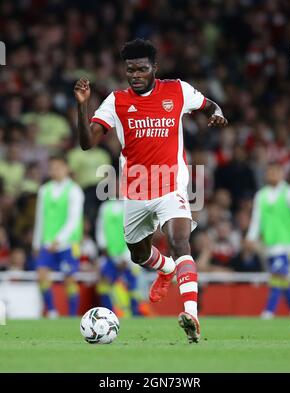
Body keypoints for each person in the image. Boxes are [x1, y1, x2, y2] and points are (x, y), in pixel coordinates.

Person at [74, 38, 227, 343]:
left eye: (142, 69)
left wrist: (216, 113)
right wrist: (82, 106)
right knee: (138, 254)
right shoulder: (116, 101)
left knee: (180, 240)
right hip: (135, 192)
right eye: (130, 69)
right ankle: (166, 269)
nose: (136, 75)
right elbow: (87, 143)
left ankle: (191, 315)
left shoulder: (177, 91)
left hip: (171, 185)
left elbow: (210, 104)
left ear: (154, 67)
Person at [246, 162, 290, 319]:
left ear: (282, 173)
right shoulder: (261, 195)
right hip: (269, 246)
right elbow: (256, 220)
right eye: (269, 172)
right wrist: (250, 238)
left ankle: (269, 311)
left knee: (278, 276)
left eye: (275, 172)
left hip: (289, 244)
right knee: (282, 279)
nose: (271, 175)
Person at [32, 155, 84, 317]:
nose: (55, 170)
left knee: (69, 279)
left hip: (69, 243)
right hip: (47, 242)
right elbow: (40, 218)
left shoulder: (74, 190)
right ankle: (52, 311)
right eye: (52, 167)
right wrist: (36, 242)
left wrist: (59, 239)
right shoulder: (44, 190)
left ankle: (72, 314)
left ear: (66, 168)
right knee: (41, 275)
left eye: (58, 167)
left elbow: (73, 220)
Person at [95, 195, 141, 317]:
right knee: (104, 282)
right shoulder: (105, 207)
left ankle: (134, 314)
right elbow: (101, 229)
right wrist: (104, 246)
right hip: (110, 255)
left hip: (129, 256)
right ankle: (107, 313)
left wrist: (126, 257)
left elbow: (136, 231)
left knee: (132, 285)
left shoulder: (133, 205)